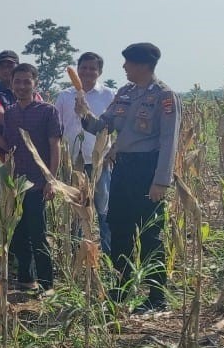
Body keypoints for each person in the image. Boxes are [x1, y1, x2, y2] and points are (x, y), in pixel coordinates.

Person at [77, 43, 180, 312]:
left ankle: (156, 296)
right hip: (122, 167)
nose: (123, 67)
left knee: (150, 233)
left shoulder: (164, 96)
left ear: (142, 65)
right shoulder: (125, 93)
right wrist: (84, 114)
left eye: (127, 62)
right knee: (119, 227)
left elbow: (169, 140)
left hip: (148, 168)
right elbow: (104, 125)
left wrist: (161, 181)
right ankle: (121, 287)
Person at [0, 63, 62, 292]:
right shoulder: (10, 113)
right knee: (18, 233)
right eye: (17, 82)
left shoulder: (48, 111)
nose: (21, 86)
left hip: (38, 183)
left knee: (38, 233)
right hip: (16, 183)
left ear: (35, 83)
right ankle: (26, 279)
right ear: (11, 84)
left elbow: (55, 147)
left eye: (26, 81)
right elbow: (8, 146)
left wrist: (51, 180)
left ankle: (47, 284)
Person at [55, 52, 116, 254]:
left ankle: (108, 253)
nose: (87, 72)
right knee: (76, 211)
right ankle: (76, 252)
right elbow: (57, 128)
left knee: (104, 210)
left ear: (100, 72)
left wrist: (111, 153)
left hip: (99, 163)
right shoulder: (64, 96)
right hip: (72, 164)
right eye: (83, 68)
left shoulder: (109, 95)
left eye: (92, 69)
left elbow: (113, 128)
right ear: (77, 69)